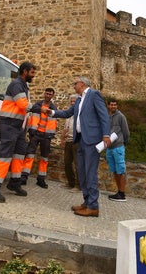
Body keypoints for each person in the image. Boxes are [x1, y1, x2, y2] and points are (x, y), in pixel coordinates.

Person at [47, 76, 111, 217]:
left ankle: (93, 206)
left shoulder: (94, 95)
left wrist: (106, 134)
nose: (73, 86)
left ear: (82, 84)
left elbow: (104, 115)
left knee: (90, 173)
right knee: (81, 172)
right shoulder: (79, 100)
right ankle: (87, 202)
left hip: (92, 141)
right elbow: (67, 113)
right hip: (80, 140)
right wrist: (51, 112)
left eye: (75, 83)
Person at [0, 62, 37, 203]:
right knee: (5, 156)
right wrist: (40, 108)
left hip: (18, 126)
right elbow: (23, 104)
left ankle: (14, 183)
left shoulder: (24, 86)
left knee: (20, 154)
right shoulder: (16, 84)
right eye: (32, 73)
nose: (34, 76)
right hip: (10, 125)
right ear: (25, 71)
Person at [21, 87, 58, 188]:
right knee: (29, 156)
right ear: (44, 94)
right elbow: (31, 115)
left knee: (44, 158)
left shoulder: (54, 109)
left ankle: (41, 179)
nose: (48, 96)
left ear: (52, 96)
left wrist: (51, 135)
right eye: (46, 93)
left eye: (50, 94)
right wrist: (31, 131)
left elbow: (54, 123)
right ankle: (24, 177)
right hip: (35, 134)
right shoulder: (37, 105)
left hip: (46, 136)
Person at [107, 99, 130, 202]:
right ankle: (118, 192)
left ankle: (122, 193)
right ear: (108, 106)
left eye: (115, 105)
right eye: (111, 105)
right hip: (109, 147)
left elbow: (126, 132)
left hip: (118, 147)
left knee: (121, 170)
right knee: (115, 170)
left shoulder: (121, 116)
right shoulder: (107, 117)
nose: (113, 106)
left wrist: (123, 143)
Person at [60, 94, 80, 192]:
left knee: (78, 164)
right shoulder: (69, 114)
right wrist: (62, 140)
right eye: (71, 101)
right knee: (67, 163)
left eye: (74, 101)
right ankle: (71, 182)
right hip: (68, 141)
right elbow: (65, 128)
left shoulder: (80, 113)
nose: (72, 103)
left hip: (76, 141)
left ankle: (78, 185)